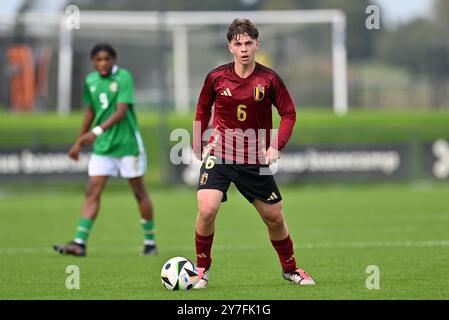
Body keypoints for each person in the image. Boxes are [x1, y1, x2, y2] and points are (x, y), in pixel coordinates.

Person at [192, 19, 315, 288]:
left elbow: (289, 114)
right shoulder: (216, 77)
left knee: (274, 217)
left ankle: (290, 269)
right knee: (207, 209)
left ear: (257, 44)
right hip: (221, 153)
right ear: (230, 48)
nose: (244, 48)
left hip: (253, 158)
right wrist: (197, 141)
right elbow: (202, 108)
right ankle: (201, 269)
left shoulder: (269, 79)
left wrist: (275, 146)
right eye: (238, 44)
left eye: (249, 43)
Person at [53, 44, 157, 257]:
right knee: (92, 190)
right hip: (103, 147)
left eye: (107, 59)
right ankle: (80, 243)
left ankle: (150, 242)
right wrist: (79, 141)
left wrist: (96, 132)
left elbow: (121, 111)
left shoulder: (123, 78)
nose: (103, 63)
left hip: (127, 145)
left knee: (138, 192)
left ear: (114, 60)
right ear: (93, 62)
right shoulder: (90, 81)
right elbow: (91, 110)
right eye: (99, 59)